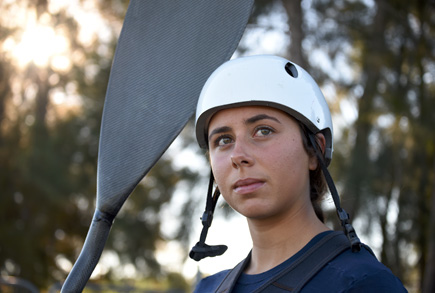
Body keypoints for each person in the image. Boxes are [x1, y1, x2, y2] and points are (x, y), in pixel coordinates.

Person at [189, 55, 406, 292]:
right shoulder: (207, 288)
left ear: (315, 152)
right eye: (224, 140)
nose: (237, 155)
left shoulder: (362, 282)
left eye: (263, 131)